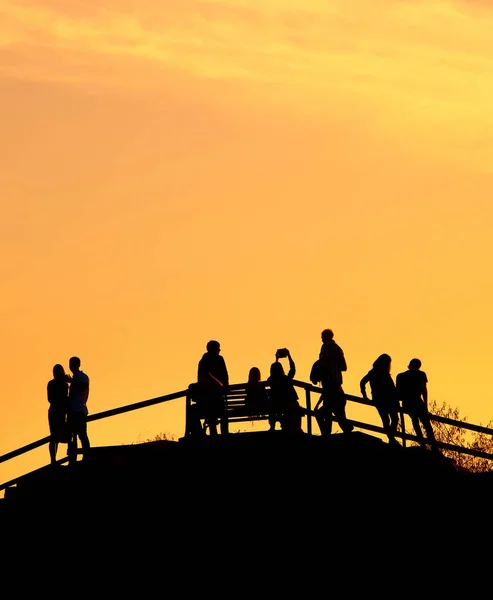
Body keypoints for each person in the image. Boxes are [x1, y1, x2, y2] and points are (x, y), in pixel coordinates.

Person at [314, 329, 353, 435]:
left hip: (329, 385)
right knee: (338, 415)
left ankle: (327, 434)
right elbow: (344, 367)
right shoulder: (338, 349)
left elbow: (322, 364)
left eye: (322, 336)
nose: (321, 339)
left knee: (324, 413)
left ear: (326, 337)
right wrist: (335, 367)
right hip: (338, 387)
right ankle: (346, 430)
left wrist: (320, 373)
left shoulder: (325, 347)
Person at [396, 358, 438, 452]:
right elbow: (424, 390)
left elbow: (398, 392)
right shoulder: (421, 375)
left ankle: (422, 443)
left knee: (415, 421)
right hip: (417, 401)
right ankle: (432, 444)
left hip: (408, 402)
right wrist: (425, 405)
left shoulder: (401, 376)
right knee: (426, 423)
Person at [360, 354, 400, 446]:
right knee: (394, 418)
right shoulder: (383, 373)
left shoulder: (373, 372)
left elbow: (362, 382)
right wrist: (364, 396)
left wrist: (364, 395)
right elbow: (391, 388)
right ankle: (391, 438)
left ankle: (391, 438)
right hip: (388, 399)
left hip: (378, 399)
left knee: (386, 420)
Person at [197, 340, 229, 435]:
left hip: (207, 400)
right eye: (218, 347)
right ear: (214, 349)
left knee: (212, 413)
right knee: (222, 411)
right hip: (216, 398)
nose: (219, 349)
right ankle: (224, 433)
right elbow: (225, 376)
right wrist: (223, 386)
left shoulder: (203, 361)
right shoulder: (219, 360)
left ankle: (214, 434)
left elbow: (201, 379)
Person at [267, 349, 303, 433]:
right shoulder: (286, 379)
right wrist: (289, 356)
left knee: (274, 407)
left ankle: (273, 427)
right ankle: (298, 428)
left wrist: (276, 359)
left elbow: (273, 371)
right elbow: (293, 369)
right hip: (289, 404)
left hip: (277, 405)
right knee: (297, 408)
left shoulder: (271, 380)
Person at [67, 356, 90, 464]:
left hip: (79, 411)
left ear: (78, 364)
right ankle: (73, 459)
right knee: (72, 437)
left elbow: (82, 387)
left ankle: (87, 457)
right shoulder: (76, 377)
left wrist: (72, 381)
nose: (71, 366)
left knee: (82, 435)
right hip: (73, 411)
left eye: (73, 363)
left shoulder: (82, 377)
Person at [47, 363, 70, 464]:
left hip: (55, 412)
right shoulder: (62, 384)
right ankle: (53, 459)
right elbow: (53, 399)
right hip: (58, 412)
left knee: (54, 436)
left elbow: (50, 399)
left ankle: (53, 459)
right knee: (55, 436)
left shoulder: (53, 384)